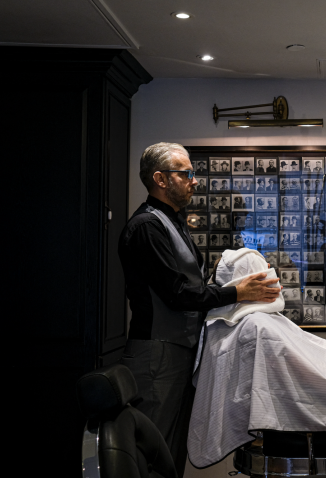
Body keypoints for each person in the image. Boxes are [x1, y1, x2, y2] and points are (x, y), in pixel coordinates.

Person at [118, 143, 280, 477]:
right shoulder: (147, 227)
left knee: (173, 453)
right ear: (161, 179)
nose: (195, 181)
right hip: (157, 356)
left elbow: (191, 287)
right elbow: (178, 294)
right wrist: (237, 291)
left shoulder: (172, 223)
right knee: (153, 452)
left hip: (178, 352)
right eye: (186, 173)